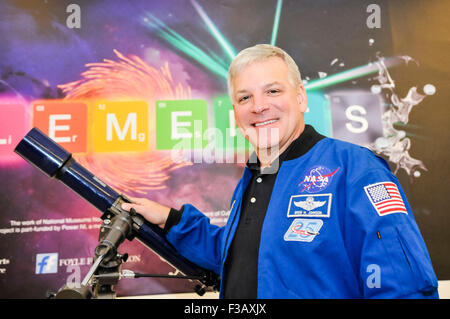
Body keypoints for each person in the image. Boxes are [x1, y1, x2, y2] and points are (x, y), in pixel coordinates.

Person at [121, 44, 439, 299]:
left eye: (273, 91)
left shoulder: (356, 168)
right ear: (235, 114)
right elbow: (245, 256)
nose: (258, 106)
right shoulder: (253, 177)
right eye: (245, 97)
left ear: (300, 97)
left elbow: (403, 284)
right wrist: (171, 219)